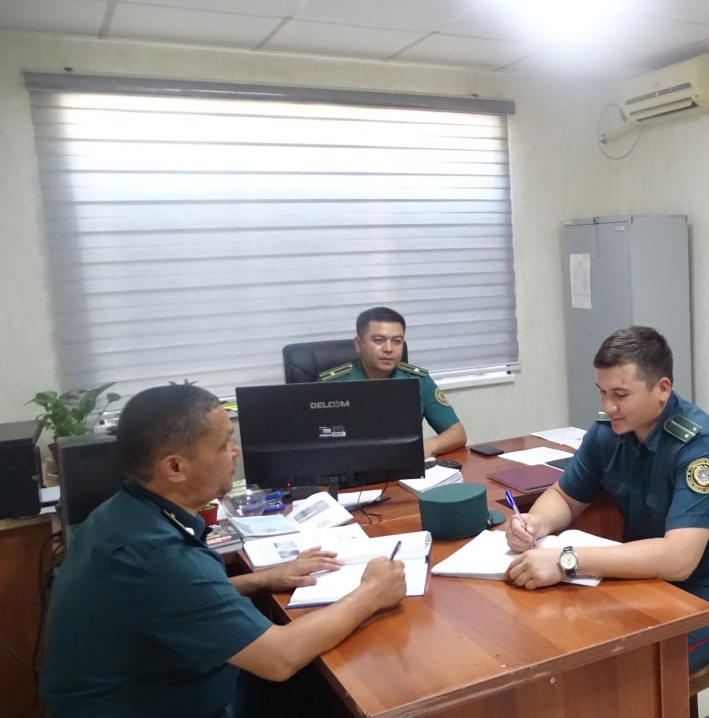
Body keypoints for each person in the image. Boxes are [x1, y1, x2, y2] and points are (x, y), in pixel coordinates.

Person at [40, 384, 407, 718]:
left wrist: (260, 580)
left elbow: (173, 600)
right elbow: (279, 657)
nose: (235, 452)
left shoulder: (126, 512)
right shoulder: (154, 554)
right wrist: (372, 592)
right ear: (175, 467)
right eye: (223, 444)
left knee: (316, 686)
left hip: (171, 689)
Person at [504, 326, 709, 670]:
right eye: (602, 392)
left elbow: (679, 560)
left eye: (620, 395)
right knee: (558, 642)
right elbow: (564, 496)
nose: (608, 406)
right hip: (643, 581)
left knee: (619, 674)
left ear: (662, 389)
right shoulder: (609, 432)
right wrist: (534, 524)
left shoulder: (701, 447)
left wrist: (567, 559)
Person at [319, 306, 467, 456]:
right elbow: (313, 440)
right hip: (350, 465)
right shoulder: (331, 384)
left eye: (397, 341)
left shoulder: (418, 379)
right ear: (358, 344)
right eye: (379, 340)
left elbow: (457, 433)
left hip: (404, 464)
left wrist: (429, 446)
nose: (389, 349)